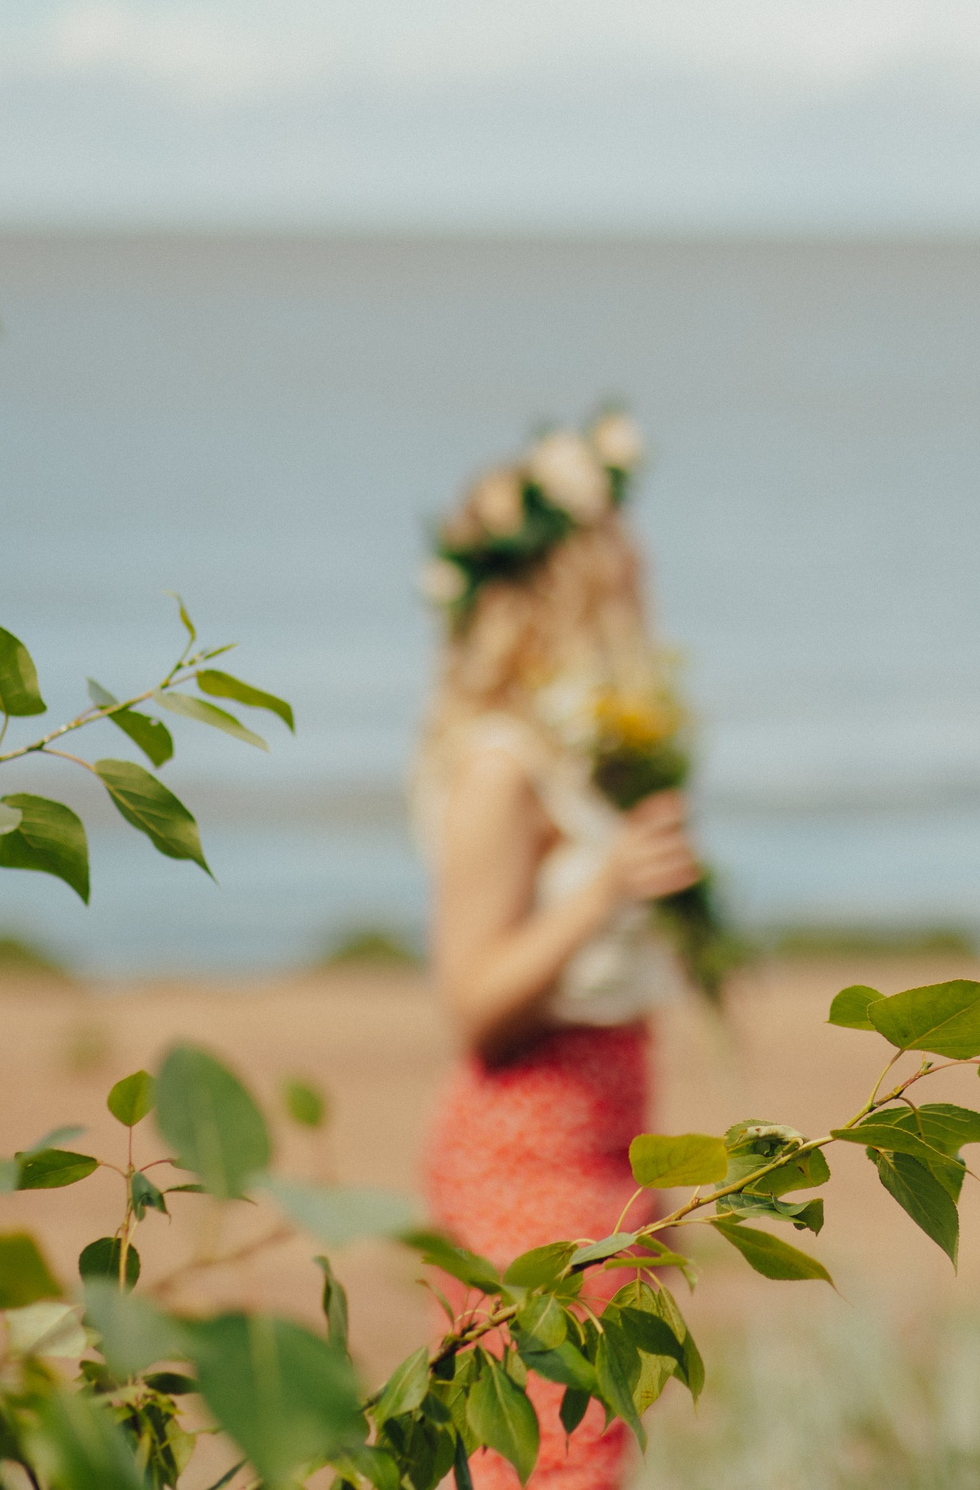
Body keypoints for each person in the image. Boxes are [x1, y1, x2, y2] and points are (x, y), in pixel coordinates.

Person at [411, 411, 698, 1490]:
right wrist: (608, 889)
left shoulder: (584, 745)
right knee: (547, 1464)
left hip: (604, 1146)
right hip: (527, 1147)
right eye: (614, 536)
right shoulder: (500, 766)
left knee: (577, 1456)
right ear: (568, 574)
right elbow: (474, 1000)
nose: (639, 559)